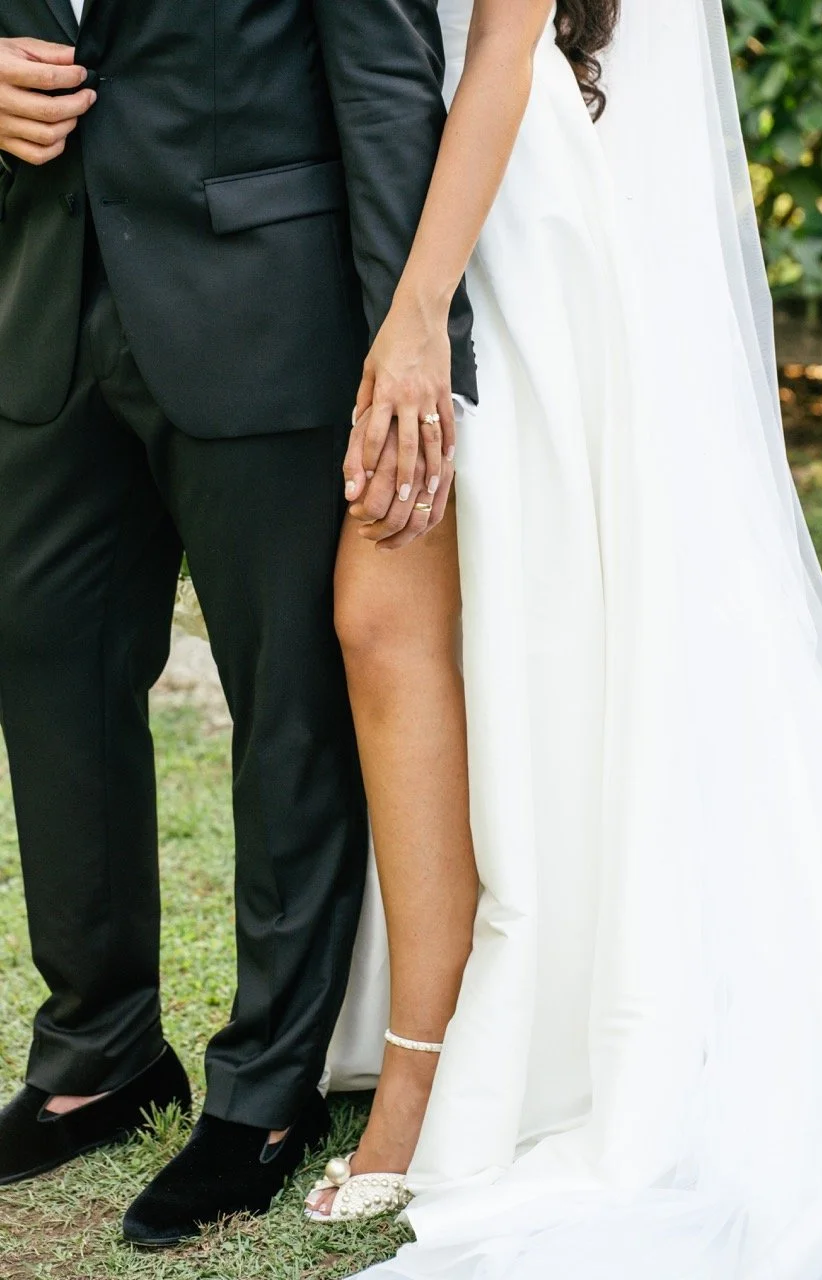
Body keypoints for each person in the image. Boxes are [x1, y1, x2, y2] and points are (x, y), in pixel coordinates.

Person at [310, 0, 822, 1276]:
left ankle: (508, 1044)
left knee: (522, 617)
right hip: (405, 168)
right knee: (457, 617)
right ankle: (435, 1029)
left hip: (491, 201)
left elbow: (505, 36)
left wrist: (416, 314)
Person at [0, 0, 476, 1249]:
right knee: (44, 661)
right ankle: (99, 1050)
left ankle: (264, 1090)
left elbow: (381, 74)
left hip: (264, 301)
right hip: (45, 291)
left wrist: (416, 337)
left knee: (289, 700)